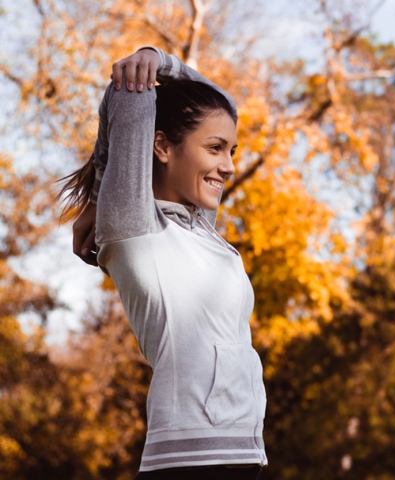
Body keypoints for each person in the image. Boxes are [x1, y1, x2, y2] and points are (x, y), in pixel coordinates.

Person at [58, 47, 267, 480]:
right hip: (189, 461)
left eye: (231, 150)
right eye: (215, 148)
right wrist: (100, 195)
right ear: (160, 146)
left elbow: (217, 98)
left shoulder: (201, 228)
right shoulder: (137, 227)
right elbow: (129, 91)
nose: (228, 167)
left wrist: (165, 62)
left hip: (240, 455)